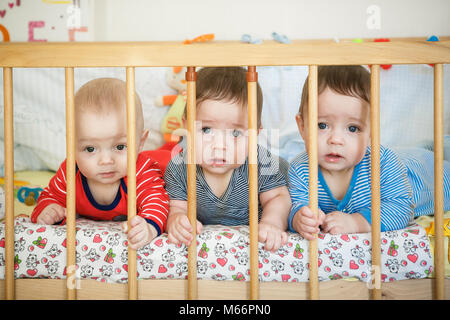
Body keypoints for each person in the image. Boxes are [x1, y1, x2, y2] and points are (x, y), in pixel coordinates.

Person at [31, 78, 170, 250]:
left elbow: (157, 200)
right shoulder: (70, 172)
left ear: (141, 142)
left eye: (120, 146)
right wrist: (49, 209)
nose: (105, 160)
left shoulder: (141, 170)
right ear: (72, 145)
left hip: (165, 162)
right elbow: (51, 196)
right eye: (90, 149)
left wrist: (148, 226)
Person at [164, 67, 292, 252]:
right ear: (185, 127)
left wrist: (272, 223)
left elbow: (279, 198)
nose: (218, 145)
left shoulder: (263, 163)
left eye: (235, 133)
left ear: (255, 134)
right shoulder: (179, 168)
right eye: (206, 129)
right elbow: (177, 207)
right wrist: (177, 220)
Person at [288, 65, 416, 240]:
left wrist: (356, 222)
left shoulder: (383, 162)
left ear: (372, 132)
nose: (336, 139)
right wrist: (299, 219)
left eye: (353, 128)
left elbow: (401, 209)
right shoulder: (300, 169)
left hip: (419, 175)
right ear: (302, 126)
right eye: (322, 125)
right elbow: (296, 205)